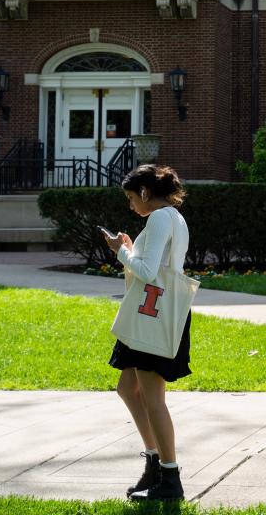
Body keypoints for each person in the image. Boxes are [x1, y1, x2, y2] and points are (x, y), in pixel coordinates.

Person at [104, 164, 191, 501]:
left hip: (152, 314)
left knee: (152, 397)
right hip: (155, 311)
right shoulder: (173, 217)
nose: (131, 206)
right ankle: (155, 464)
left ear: (144, 193)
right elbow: (156, 264)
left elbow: (148, 270)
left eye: (130, 198)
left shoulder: (158, 218)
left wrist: (119, 250)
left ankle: (170, 479)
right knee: (128, 387)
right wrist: (130, 249)